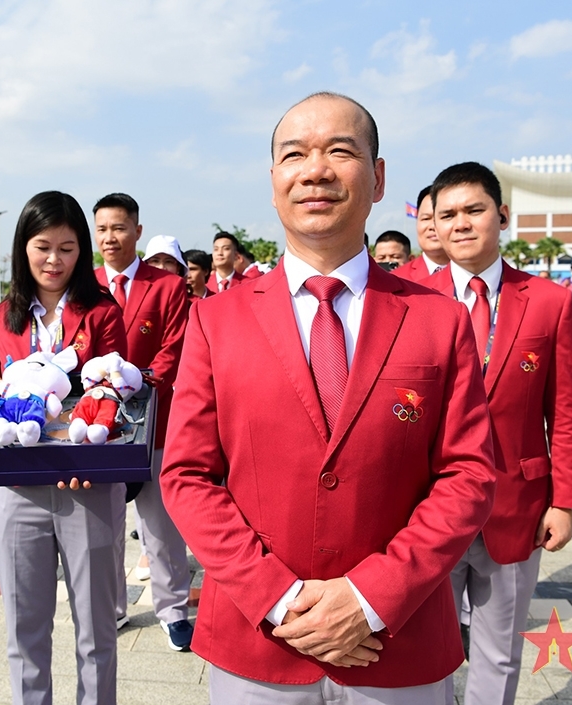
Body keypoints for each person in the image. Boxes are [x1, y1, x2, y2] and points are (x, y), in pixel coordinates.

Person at [160, 92, 497, 704]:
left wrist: (372, 597)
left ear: (378, 177)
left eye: (340, 151)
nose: (315, 170)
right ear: (273, 181)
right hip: (259, 642)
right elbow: (187, 476)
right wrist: (279, 598)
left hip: (396, 645)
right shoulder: (215, 321)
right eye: (295, 155)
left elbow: (468, 474)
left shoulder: (439, 320)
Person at [420, 162, 572, 705]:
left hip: (517, 504)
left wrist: (565, 501)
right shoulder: (409, 297)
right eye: (448, 214)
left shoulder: (549, 301)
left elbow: (565, 412)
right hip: (426, 507)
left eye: (475, 210)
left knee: (499, 649)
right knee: (425, 648)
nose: (461, 224)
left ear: (503, 215)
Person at [0, 191, 128, 705]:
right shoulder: (2, 317)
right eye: (43, 247)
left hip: (88, 487)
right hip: (18, 487)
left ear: (82, 250)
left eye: (67, 248)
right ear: (24, 247)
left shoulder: (102, 313)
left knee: (96, 635)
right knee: (24, 634)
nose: (54, 260)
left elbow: (115, 387)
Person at [92, 193, 193, 651]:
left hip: (156, 419)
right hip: (98, 423)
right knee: (104, 522)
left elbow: (176, 345)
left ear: (136, 230)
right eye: (101, 229)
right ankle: (112, 606)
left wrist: (141, 379)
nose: (109, 238)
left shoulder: (167, 286)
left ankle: (173, 611)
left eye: (118, 228)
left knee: (160, 523)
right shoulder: (85, 285)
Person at [394, 186, 449, 282]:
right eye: (426, 218)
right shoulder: (396, 280)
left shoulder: (475, 275)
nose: (432, 226)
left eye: (443, 217)